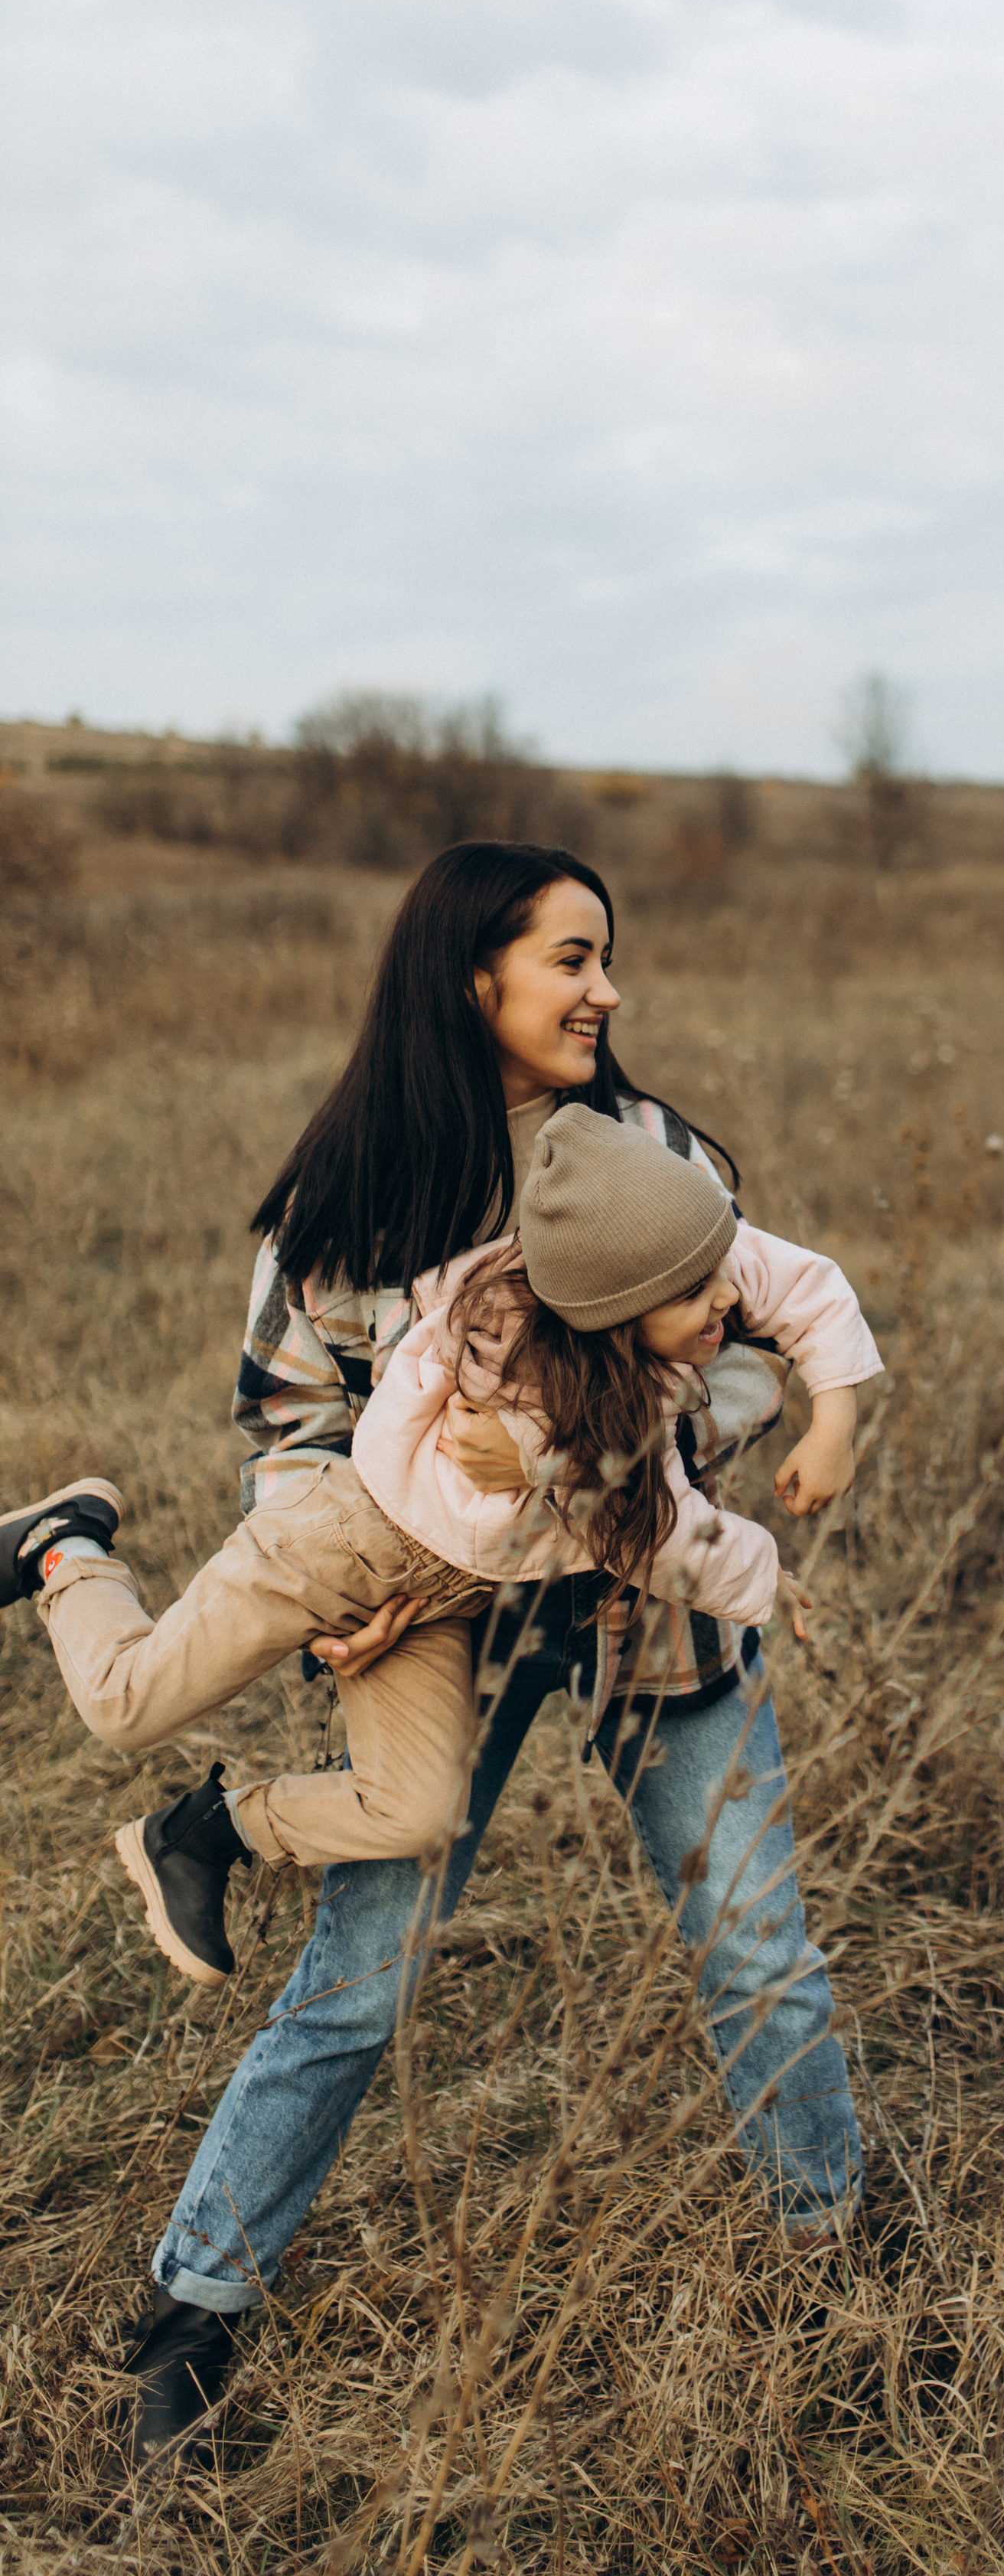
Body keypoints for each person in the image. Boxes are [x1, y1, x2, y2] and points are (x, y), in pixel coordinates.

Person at [88, 841, 872, 2476]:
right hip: (418, 1623)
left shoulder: (658, 1152)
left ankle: (832, 2270)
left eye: (607, 958)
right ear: (473, 976)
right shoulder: (357, 1190)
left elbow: (738, 1373)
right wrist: (364, 1586)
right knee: (351, 1994)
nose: (606, 990)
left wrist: (629, 1469)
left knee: (755, 1946)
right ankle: (194, 2310)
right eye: (571, 959)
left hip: (645, 1615)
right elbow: (290, 1422)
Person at [5, 1107, 877, 1983]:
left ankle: (211, 1833)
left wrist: (832, 1414)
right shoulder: (522, 1351)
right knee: (124, 1708)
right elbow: (649, 1530)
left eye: (718, 1274)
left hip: (438, 1599)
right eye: (695, 1293)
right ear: (614, 1312)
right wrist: (767, 1577)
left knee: (416, 1810)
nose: (727, 1299)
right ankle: (64, 1548)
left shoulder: (663, 1252)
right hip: (337, 1546)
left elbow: (793, 1283)